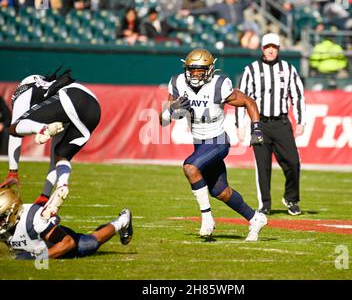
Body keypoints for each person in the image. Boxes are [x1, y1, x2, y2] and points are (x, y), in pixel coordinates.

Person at [159, 48, 267, 242]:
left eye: (200, 70)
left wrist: (256, 129)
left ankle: (207, 218)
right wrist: (172, 110)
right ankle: (256, 218)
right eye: (192, 70)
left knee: (190, 167)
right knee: (220, 191)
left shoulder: (219, 85)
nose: (195, 74)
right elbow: (163, 121)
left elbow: (249, 102)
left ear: (209, 70)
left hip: (218, 141)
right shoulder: (178, 83)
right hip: (199, 144)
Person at [0, 68, 101, 220]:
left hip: (72, 98)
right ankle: (62, 186)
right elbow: (54, 159)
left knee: (14, 128)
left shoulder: (25, 91)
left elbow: (15, 133)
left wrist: (13, 171)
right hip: (94, 109)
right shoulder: (52, 102)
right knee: (61, 154)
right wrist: (45, 195)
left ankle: (42, 128)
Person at [236, 33, 306, 216]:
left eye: (274, 46)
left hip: (281, 123)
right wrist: (239, 124)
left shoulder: (288, 69)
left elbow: (297, 96)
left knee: (293, 162)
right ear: (262, 49)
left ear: (279, 49)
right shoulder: (250, 70)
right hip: (259, 124)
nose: (271, 50)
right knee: (262, 165)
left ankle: (291, 198)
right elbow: (240, 97)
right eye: (268, 47)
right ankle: (265, 204)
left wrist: (300, 121)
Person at [0, 187, 133, 259]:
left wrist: (37, 257)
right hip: (39, 241)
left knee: (89, 243)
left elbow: (68, 243)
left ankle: (122, 221)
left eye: (2, 217)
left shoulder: (33, 219)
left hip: (56, 241)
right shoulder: (8, 225)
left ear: (14, 210)